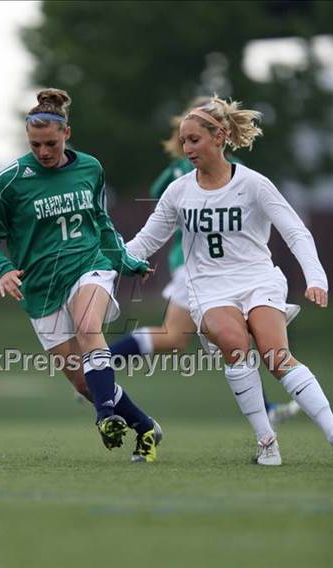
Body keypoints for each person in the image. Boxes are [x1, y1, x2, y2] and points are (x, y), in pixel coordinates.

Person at [125, 95, 332, 465]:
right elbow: (143, 243)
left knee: (276, 356)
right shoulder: (179, 190)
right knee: (235, 344)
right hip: (208, 287)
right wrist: (103, 265)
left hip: (257, 280)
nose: (187, 148)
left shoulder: (253, 184)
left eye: (194, 140)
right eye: (183, 141)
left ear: (219, 137)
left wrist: (316, 277)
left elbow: (296, 232)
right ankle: (266, 441)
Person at [0, 88, 161, 463]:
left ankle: (106, 416)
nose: (43, 152)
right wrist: (4, 269)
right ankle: (146, 428)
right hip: (41, 288)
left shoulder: (90, 168)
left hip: (87, 266)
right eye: (35, 144)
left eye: (50, 143)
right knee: (83, 382)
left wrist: (126, 262)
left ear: (66, 134)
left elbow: (102, 224)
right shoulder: (9, 180)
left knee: (89, 327)